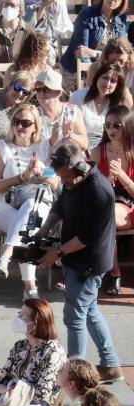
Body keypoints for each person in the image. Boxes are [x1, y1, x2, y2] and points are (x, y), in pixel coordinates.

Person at [36, 144, 122, 382]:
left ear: (80, 167)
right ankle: (111, 365)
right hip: (77, 259)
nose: (64, 182)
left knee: (74, 318)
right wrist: (44, 229)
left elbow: (86, 237)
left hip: (89, 263)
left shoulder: (99, 192)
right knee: (90, 311)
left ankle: (75, 374)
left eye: (66, 177)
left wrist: (57, 252)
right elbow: (60, 206)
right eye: (61, 177)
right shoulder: (72, 181)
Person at [0, 102, 57, 298]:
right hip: (4, 206)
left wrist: (41, 172)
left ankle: (6, 256)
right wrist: (22, 177)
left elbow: (55, 179)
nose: (19, 126)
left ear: (35, 126)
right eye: (16, 121)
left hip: (38, 203)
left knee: (30, 210)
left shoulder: (43, 148)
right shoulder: (2, 148)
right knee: (30, 225)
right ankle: (30, 289)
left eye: (25, 123)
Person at [90, 105, 133, 295]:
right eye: (107, 125)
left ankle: (109, 271)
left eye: (117, 125)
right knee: (102, 212)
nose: (111, 130)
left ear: (128, 126)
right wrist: (106, 182)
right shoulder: (99, 152)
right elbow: (88, 188)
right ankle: (111, 270)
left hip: (129, 205)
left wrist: (122, 176)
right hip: (105, 204)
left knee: (105, 214)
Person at [58, 0, 128, 89]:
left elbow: (121, 52)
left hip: (107, 71)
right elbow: (82, 53)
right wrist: (95, 77)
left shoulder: (121, 18)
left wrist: (94, 53)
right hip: (78, 71)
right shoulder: (87, 14)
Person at [70, 63, 132, 152]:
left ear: (117, 85)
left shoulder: (117, 103)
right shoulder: (78, 96)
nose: (107, 83)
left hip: (108, 147)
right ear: (97, 77)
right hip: (80, 146)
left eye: (113, 81)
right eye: (105, 78)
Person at [0, 70, 35, 163]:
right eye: (17, 88)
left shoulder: (23, 108)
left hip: (14, 156)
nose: (20, 94)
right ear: (9, 85)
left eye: (25, 92)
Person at [35, 69, 89, 154]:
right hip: (42, 163)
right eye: (38, 89)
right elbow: (29, 148)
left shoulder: (72, 111)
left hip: (69, 161)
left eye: (46, 89)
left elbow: (84, 145)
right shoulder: (33, 114)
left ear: (58, 93)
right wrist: (51, 140)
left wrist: (70, 135)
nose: (41, 93)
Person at [0, 0, 32, 87]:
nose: (8, 8)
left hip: (21, 81)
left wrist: (17, 80)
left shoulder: (28, 31)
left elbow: (31, 61)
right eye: (5, 4)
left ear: (20, 8)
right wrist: (6, 80)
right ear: (0, 6)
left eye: (12, 5)